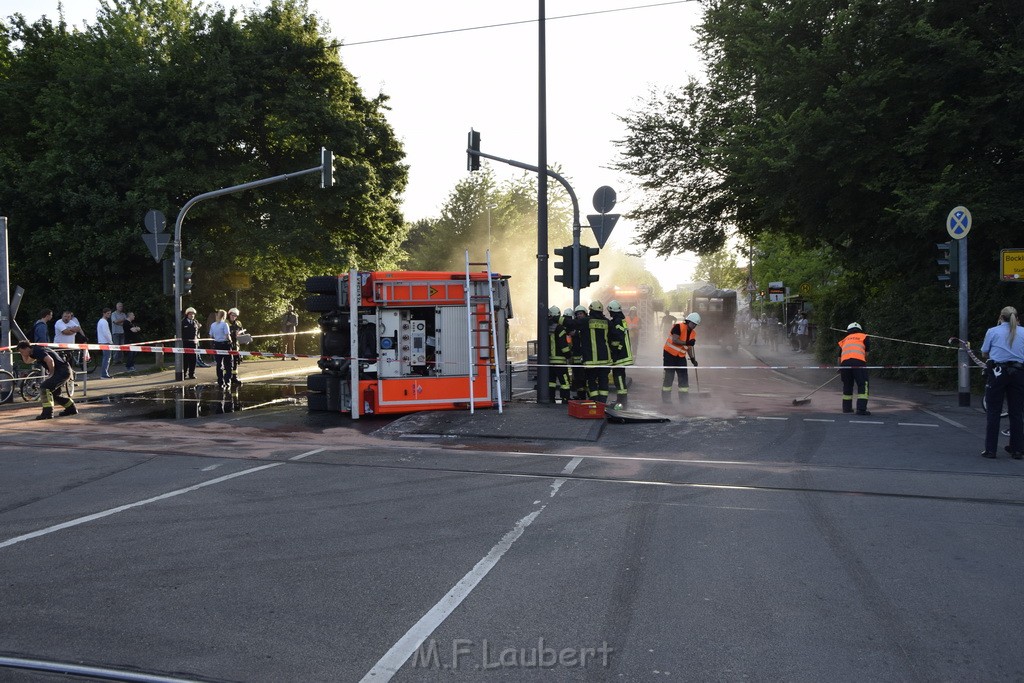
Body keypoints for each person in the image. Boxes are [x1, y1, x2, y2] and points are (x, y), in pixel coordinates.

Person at [980, 306, 1024, 459]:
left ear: (1001, 317)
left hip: (998, 372)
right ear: (1016, 317)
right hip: (1018, 373)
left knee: (993, 411)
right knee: (1017, 412)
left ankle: (991, 449)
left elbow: (985, 352)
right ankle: (1017, 449)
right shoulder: (1023, 332)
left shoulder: (993, 331)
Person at [16, 340, 77, 419]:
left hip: (62, 371)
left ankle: (47, 413)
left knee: (44, 388)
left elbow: (50, 360)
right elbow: (27, 361)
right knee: (54, 394)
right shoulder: (34, 351)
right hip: (64, 370)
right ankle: (71, 408)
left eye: (22, 352)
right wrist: (23, 354)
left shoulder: (37, 351)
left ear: (26, 348)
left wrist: (51, 374)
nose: (22, 354)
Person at [662, 312, 700, 403]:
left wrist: (693, 360)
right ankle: (666, 400)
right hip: (669, 355)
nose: (694, 325)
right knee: (669, 377)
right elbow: (675, 340)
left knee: (683, 378)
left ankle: (684, 400)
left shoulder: (693, 334)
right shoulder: (678, 327)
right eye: (693, 323)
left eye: (696, 324)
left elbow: (689, 348)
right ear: (688, 321)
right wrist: (687, 343)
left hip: (681, 357)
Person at [581, 300, 612, 403]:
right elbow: (614, 337)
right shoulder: (608, 322)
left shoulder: (586, 321)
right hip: (605, 360)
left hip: (591, 361)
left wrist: (556, 318)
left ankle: (594, 402)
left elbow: (571, 323)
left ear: (590, 310)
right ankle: (602, 403)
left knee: (591, 381)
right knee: (604, 382)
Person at [838, 322, 870, 415]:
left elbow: (839, 357)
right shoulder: (864, 337)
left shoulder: (844, 340)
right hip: (859, 362)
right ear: (860, 330)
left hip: (845, 364)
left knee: (847, 385)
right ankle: (861, 409)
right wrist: (864, 362)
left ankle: (846, 408)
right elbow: (866, 353)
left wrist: (840, 368)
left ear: (848, 331)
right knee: (863, 384)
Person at [607, 300, 634, 407]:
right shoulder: (620, 320)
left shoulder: (617, 322)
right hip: (623, 354)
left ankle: (622, 401)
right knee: (620, 377)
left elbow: (618, 338)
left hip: (620, 355)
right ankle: (621, 400)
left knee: (618, 378)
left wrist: (614, 351)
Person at [546, 305, 572, 403]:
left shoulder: (546, 328)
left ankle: (551, 398)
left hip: (549, 361)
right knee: (564, 382)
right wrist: (568, 355)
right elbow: (563, 345)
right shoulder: (560, 328)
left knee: (551, 382)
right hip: (560, 361)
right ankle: (565, 399)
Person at [569, 304, 590, 400]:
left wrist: (576, 333)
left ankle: (591, 396)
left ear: (585, 314)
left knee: (587, 378)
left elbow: (586, 333)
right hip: (576, 357)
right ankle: (581, 395)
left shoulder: (587, 323)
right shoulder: (576, 326)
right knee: (578, 378)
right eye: (577, 314)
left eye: (581, 314)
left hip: (585, 357)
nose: (579, 316)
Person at [209, 309, 233, 389]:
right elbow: (227, 336)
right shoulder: (225, 325)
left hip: (217, 345)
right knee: (228, 363)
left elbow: (211, 335)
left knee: (219, 364)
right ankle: (227, 380)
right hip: (225, 345)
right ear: (224, 316)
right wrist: (231, 341)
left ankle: (220, 381)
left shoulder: (213, 325)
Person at [182, 307, 201, 379]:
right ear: (187, 314)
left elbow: (198, 332)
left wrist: (197, 339)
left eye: (193, 314)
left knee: (193, 359)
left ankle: (191, 374)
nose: (192, 315)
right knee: (185, 359)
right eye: (190, 314)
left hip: (193, 343)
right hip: (186, 343)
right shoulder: (183, 322)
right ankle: (184, 374)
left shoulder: (196, 322)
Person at [227, 307, 245, 383]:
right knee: (228, 362)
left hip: (236, 344)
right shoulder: (225, 323)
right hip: (227, 344)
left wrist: (244, 338)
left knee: (236, 361)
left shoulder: (238, 323)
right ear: (229, 315)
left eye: (235, 315)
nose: (233, 317)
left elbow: (242, 332)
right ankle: (227, 377)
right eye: (232, 315)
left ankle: (234, 377)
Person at [96, 307, 113, 379]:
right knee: (107, 358)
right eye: (107, 313)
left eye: (110, 313)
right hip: (106, 342)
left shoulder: (101, 321)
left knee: (106, 357)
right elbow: (106, 333)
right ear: (104, 314)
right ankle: (104, 374)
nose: (109, 315)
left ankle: (105, 373)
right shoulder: (104, 322)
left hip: (102, 341)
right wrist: (111, 341)